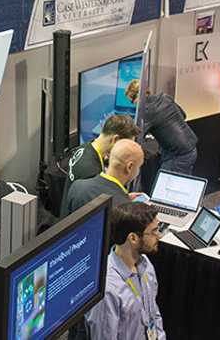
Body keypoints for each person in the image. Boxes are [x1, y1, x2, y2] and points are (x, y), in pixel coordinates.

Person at [87, 203, 166, 340]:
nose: (159, 236)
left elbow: (154, 313)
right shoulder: (108, 289)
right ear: (133, 238)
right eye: (153, 231)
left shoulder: (145, 265)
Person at [62, 114, 139, 209]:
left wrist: (123, 197)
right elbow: (99, 210)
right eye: (125, 146)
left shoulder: (84, 148)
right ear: (115, 139)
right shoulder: (90, 171)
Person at [125, 79, 197, 175]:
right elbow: (183, 115)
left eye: (132, 101)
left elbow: (136, 137)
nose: (133, 105)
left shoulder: (146, 111)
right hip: (191, 148)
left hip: (178, 155)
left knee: (165, 185)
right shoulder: (165, 97)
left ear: (137, 97)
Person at [61, 139, 144, 217]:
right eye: (139, 167)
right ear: (129, 167)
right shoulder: (126, 211)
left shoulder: (77, 186)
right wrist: (123, 199)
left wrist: (123, 196)